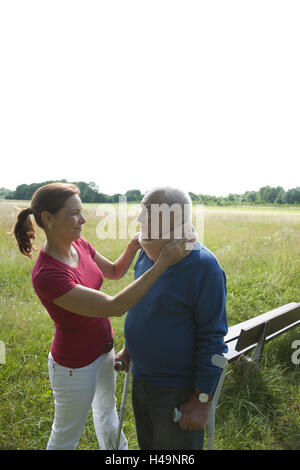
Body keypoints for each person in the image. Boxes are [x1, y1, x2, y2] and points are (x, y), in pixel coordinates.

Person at [13, 182, 191, 450]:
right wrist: (163, 263)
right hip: (73, 367)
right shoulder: (48, 275)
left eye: (81, 211)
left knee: (107, 413)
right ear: (49, 219)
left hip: (104, 352)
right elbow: (115, 306)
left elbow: (115, 271)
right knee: (65, 435)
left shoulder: (80, 244)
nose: (83, 219)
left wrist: (133, 246)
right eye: (74, 213)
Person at [116, 186, 228, 450]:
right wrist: (127, 350)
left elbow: (213, 338)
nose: (138, 219)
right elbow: (142, 308)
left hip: (178, 391)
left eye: (146, 212)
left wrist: (202, 400)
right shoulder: (147, 255)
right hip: (141, 381)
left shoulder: (204, 267)